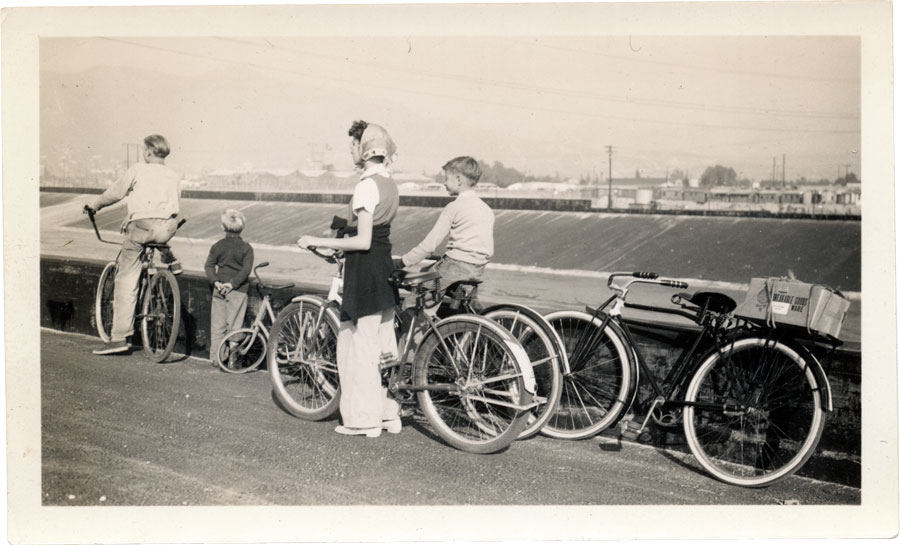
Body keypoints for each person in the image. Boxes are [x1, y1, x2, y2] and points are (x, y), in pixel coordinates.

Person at [297, 120, 401, 438]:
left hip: (364, 269)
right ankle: (388, 415)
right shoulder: (390, 183)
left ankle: (362, 421)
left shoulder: (366, 185)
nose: (351, 152)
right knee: (384, 345)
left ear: (364, 149)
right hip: (383, 268)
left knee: (360, 347)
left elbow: (363, 240)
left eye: (354, 146)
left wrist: (318, 241)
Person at [86, 134, 182, 355]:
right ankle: (169, 257)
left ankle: (119, 337)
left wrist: (95, 205)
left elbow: (115, 192)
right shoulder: (174, 175)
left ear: (148, 151)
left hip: (142, 226)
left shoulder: (138, 169)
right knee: (156, 236)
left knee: (126, 278)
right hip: (167, 227)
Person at [395, 156, 494, 317]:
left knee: (411, 305)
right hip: (476, 270)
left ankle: (417, 340)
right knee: (424, 278)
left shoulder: (454, 207)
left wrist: (402, 262)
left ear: (459, 179)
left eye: (446, 178)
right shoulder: (486, 209)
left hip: (453, 267)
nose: (444, 182)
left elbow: (428, 246)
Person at [204, 208, 254, 368]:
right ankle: (233, 360)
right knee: (234, 324)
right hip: (237, 290)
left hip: (219, 289)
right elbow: (246, 270)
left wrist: (216, 282)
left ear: (222, 227)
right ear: (242, 227)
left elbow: (209, 266)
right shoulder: (246, 248)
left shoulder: (217, 246)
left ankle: (216, 358)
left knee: (217, 324)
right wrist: (232, 284)